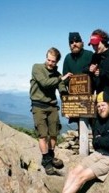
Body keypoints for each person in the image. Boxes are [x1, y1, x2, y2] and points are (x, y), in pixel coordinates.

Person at [62, 91, 109, 193]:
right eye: (98, 106)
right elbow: (95, 143)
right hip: (98, 154)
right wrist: (101, 139)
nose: (100, 108)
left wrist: (99, 139)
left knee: (81, 176)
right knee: (73, 172)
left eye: (103, 105)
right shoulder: (98, 120)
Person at [30, 47, 73, 175]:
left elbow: (61, 90)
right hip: (38, 106)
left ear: (57, 62)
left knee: (54, 133)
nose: (50, 63)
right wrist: (62, 78)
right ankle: (46, 161)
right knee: (43, 134)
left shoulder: (57, 74)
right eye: (48, 60)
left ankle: (51, 155)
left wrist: (69, 103)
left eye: (53, 61)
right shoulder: (37, 68)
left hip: (52, 106)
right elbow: (44, 83)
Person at [63, 32, 94, 125]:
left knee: (93, 128)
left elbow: (97, 76)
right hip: (74, 100)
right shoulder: (68, 58)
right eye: (71, 42)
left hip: (90, 99)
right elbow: (64, 82)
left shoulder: (89, 55)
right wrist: (67, 106)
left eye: (77, 41)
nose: (74, 44)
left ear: (82, 43)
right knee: (80, 128)